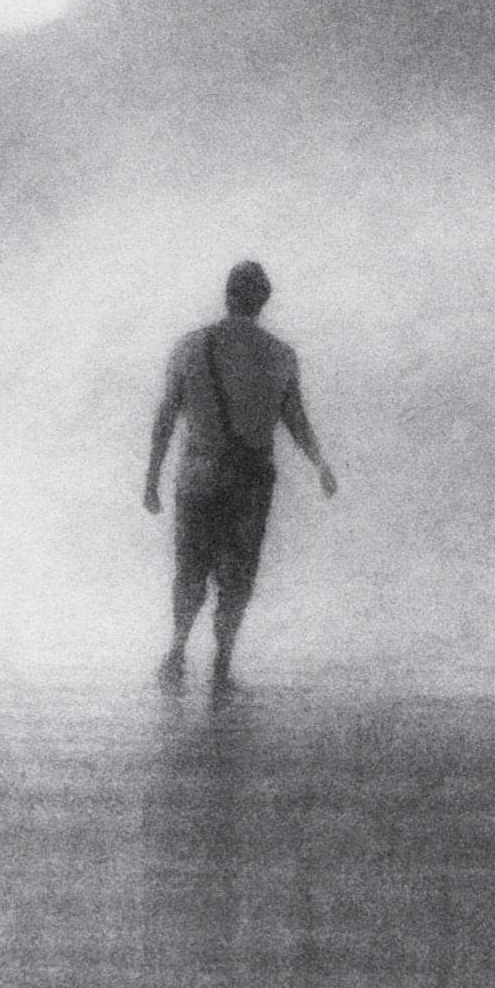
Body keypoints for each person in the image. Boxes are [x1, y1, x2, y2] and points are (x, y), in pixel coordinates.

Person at [144, 262, 336, 701]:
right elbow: (296, 420)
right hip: (250, 480)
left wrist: (152, 477)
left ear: (227, 295)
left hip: (198, 474)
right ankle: (222, 664)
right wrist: (321, 465)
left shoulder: (190, 347)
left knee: (190, 568)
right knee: (238, 574)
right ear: (263, 301)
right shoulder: (281, 355)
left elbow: (166, 417)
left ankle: (176, 651)